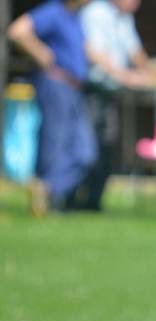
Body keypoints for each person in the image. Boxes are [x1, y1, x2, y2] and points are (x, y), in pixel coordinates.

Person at [7, 0, 96, 216]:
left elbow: (90, 52)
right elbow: (17, 31)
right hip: (56, 84)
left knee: (85, 151)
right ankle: (47, 201)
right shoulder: (54, 11)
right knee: (55, 144)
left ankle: (46, 189)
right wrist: (43, 55)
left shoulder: (75, 17)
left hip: (74, 89)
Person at [77, 0, 152, 211]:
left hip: (110, 92)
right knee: (88, 147)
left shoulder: (124, 17)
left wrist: (152, 72)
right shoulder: (95, 13)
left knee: (107, 146)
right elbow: (94, 53)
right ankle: (74, 199)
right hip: (91, 90)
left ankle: (94, 201)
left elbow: (134, 50)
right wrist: (124, 75)